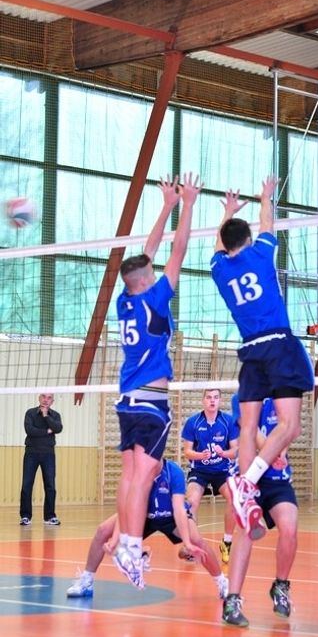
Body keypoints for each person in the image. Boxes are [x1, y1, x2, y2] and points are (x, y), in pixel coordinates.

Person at [210, 177, 314, 540]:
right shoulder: (260, 254)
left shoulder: (219, 270)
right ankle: (249, 480)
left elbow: (219, 245)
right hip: (279, 344)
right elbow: (268, 223)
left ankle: (245, 493)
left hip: (250, 349)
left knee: (247, 428)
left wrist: (227, 212)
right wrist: (265, 198)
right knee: (290, 426)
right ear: (249, 239)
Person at [113, 173, 202, 589]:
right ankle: (131, 545)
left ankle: (127, 544)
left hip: (127, 399)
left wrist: (166, 205)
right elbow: (177, 252)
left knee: (130, 476)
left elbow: (144, 257)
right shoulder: (153, 298)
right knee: (143, 478)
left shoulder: (126, 300)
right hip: (151, 403)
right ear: (148, 281)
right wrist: (188, 205)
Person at [66, 458, 228, 599]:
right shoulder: (137, 474)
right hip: (143, 516)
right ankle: (86, 581)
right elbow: (126, 508)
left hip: (171, 516)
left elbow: (179, 509)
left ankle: (222, 582)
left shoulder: (174, 472)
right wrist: (116, 538)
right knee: (102, 530)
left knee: (198, 541)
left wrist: (187, 542)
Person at [222, 397, 298, 627]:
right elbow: (251, 430)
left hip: (278, 480)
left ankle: (280, 586)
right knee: (246, 532)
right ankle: (232, 600)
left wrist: (282, 450)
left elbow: (289, 427)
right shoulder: (242, 397)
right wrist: (273, 453)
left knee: (289, 528)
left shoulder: (283, 396)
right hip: (251, 477)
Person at [181, 388, 239, 564]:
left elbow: (235, 451)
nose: (212, 401)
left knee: (235, 499)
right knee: (191, 502)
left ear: (220, 400)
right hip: (199, 470)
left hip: (222, 470)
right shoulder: (193, 422)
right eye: (208, 397)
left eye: (215, 397)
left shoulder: (228, 422)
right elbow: (187, 452)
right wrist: (200, 455)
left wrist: (223, 453)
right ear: (203, 400)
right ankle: (191, 545)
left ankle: (226, 543)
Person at [19, 393, 63, 526]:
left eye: (49, 398)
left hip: (48, 454)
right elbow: (29, 430)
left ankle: (49, 516)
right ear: (39, 398)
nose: (46, 400)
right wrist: (47, 431)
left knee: (50, 486)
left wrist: (46, 416)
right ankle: (25, 516)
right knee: (27, 485)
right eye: (43, 396)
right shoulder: (30, 413)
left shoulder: (55, 415)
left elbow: (58, 428)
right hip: (31, 453)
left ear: (52, 401)